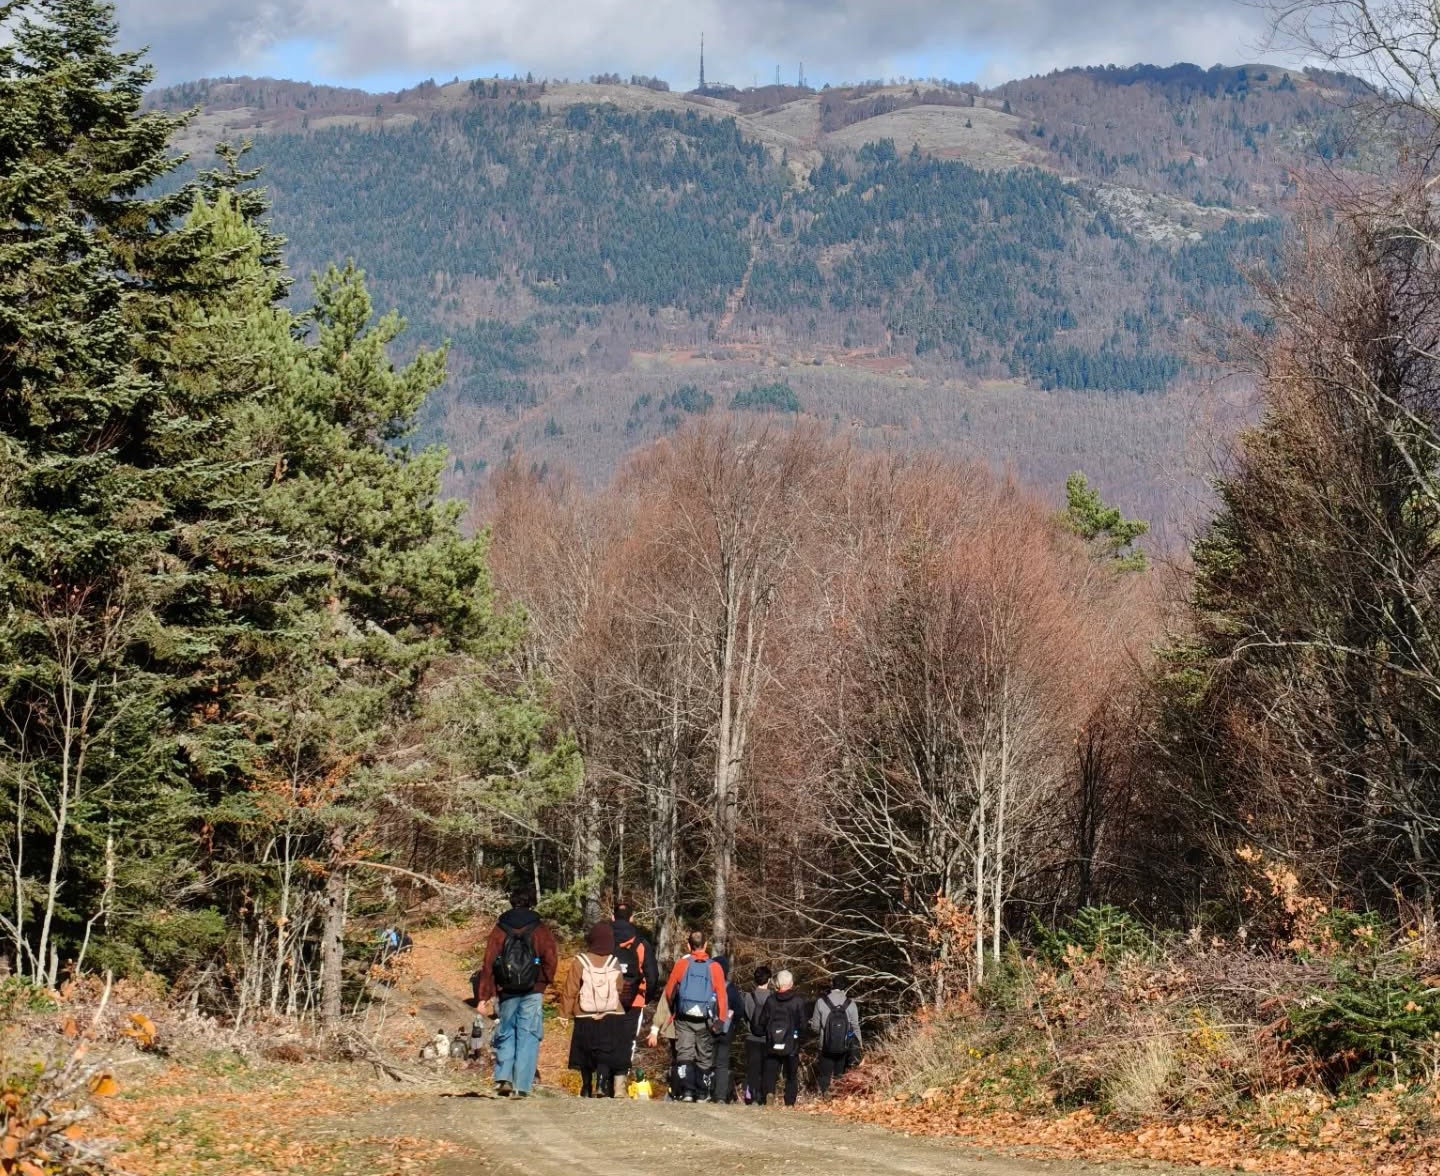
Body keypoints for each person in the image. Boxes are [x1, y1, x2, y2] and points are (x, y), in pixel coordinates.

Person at [474, 889, 558, 1098]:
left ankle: (503, 1077)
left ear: (511, 902)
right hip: (533, 990)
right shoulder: (540, 929)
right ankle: (522, 1085)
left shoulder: (500, 929)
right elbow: (551, 958)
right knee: (528, 1034)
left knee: (506, 1031)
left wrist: (484, 996)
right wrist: (543, 981)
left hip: (507, 990)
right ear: (531, 903)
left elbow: (488, 964)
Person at [558, 921, 630, 1097]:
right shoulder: (614, 962)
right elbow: (619, 988)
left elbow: (570, 989)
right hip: (612, 1012)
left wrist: (564, 1014)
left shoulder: (580, 961)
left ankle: (586, 1086)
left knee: (585, 1051)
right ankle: (601, 1083)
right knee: (606, 1050)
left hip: (584, 1013)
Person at [658, 929, 730, 1102]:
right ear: (706, 945)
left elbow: (669, 990)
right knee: (704, 1056)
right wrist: (721, 1019)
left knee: (685, 1053)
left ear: (688, 945)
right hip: (705, 1018)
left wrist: (676, 1005)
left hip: (684, 1017)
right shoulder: (715, 967)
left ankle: (687, 1091)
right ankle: (702, 1093)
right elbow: (721, 994)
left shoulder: (682, 964)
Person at [611, 901, 659, 1064]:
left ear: (612, 917)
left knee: (608, 1038)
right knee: (628, 1040)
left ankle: (603, 1079)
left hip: (606, 997)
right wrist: (647, 998)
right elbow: (652, 975)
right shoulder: (641, 943)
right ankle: (620, 1080)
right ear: (631, 919)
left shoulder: (604, 941)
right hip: (635, 998)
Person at [755, 969, 806, 1107]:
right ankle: (789, 1101)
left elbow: (762, 1021)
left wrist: (765, 1032)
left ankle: (770, 1093)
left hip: (773, 1041)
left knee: (771, 1071)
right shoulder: (798, 1001)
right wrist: (799, 1036)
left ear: (777, 983)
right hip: (791, 1043)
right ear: (791, 984)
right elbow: (802, 1024)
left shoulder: (771, 1000)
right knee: (791, 1074)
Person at [811, 973, 863, 1095]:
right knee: (840, 1073)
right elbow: (855, 1026)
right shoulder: (851, 1004)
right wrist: (859, 1044)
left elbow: (815, 1026)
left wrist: (823, 1033)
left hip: (825, 1045)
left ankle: (825, 1095)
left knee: (825, 1074)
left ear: (832, 985)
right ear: (845, 987)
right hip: (843, 1046)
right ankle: (837, 1096)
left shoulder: (821, 1001)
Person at [710, 954, 743, 1103]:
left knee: (706, 1060)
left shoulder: (708, 985)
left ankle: (705, 1092)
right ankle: (721, 1096)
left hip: (708, 1027)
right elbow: (740, 1010)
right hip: (726, 1028)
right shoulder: (731, 988)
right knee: (722, 1063)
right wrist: (733, 1022)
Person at [741, 965, 773, 1105]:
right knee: (766, 1069)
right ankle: (763, 1097)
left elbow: (746, 1016)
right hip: (768, 1038)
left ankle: (752, 1095)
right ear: (769, 980)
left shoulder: (748, 997)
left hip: (751, 1037)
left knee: (753, 1068)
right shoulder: (773, 998)